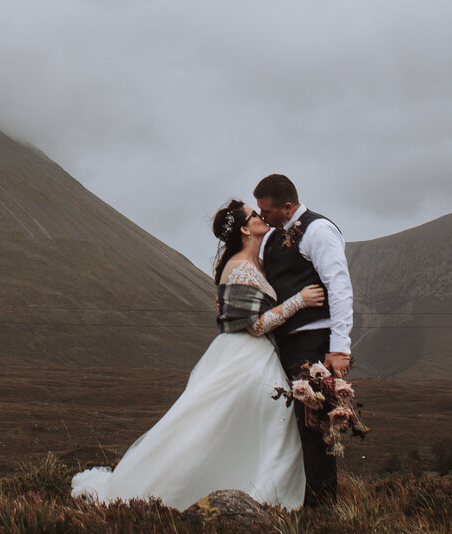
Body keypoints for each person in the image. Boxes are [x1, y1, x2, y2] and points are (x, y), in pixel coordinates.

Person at [70, 200, 324, 510]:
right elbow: (256, 325)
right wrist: (299, 301)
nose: (261, 216)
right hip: (245, 355)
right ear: (245, 228)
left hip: (259, 354)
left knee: (254, 423)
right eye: (255, 215)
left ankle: (264, 493)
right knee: (226, 423)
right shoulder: (241, 266)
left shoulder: (258, 262)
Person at [254, 174, 354, 508]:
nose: (262, 217)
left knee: (315, 424)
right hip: (287, 343)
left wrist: (339, 348)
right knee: (295, 426)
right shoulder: (270, 239)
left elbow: (338, 287)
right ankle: (301, 500)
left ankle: (322, 509)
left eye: (266, 211)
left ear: (287, 206)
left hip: (316, 342)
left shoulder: (318, 230)